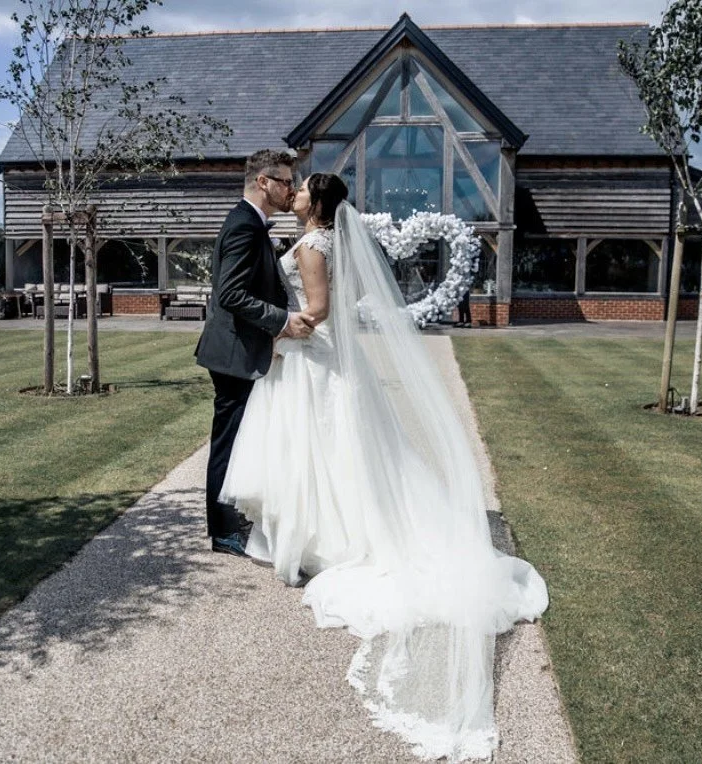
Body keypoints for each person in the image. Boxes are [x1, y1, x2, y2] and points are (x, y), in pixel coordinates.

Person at [220, 173, 549, 761]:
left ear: (317, 204)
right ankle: (318, 531)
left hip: (314, 358)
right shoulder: (322, 241)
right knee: (328, 451)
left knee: (323, 451)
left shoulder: (314, 245)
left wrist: (283, 335)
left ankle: (330, 539)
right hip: (321, 358)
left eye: (301, 190)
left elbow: (319, 309)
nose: (294, 193)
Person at [195, 149, 315, 557]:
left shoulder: (250, 223)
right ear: (263, 182)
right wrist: (282, 321)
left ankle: (233, 519)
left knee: (241, 439)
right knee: (228, 442)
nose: (291, 190)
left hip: (241, 348)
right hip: (233, 354)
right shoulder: (244, 225)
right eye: (286, 182)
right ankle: (224, 531)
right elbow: (230, 294)